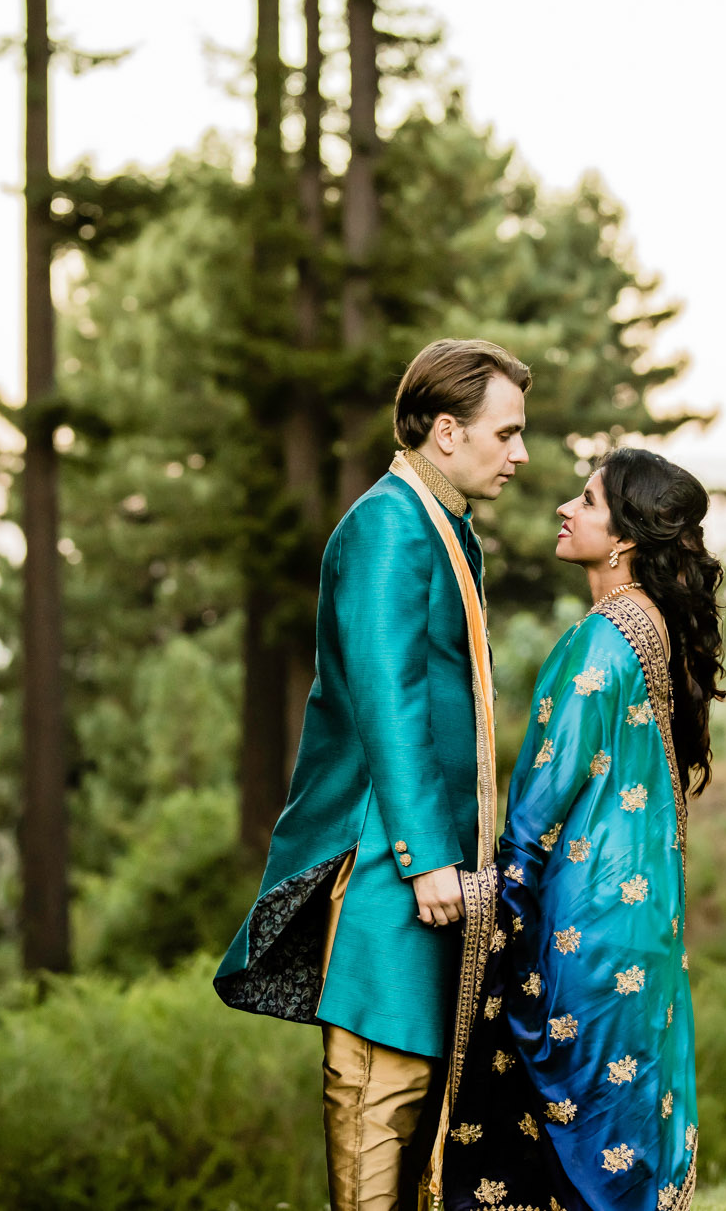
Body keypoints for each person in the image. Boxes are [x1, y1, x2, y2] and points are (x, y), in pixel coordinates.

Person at [216, 337, 531, 1211]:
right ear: (443, 430)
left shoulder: (441, 522)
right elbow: (388, 699)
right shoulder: (388, 526)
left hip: (426, 859)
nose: (519, 454)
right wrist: (429, 856)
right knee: (375, 1087)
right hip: (387, 858)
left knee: (425, 1088)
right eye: (504, 433)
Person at [431, 448, 724, 1211]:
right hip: (637, 926)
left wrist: (483, 898)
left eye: (586, 501)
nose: (565, 507)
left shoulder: (599, 639)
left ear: (624, 536)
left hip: (582, 931)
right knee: (616, 1129)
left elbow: (542, 797)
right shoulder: (650, 627)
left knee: (572, 1142)